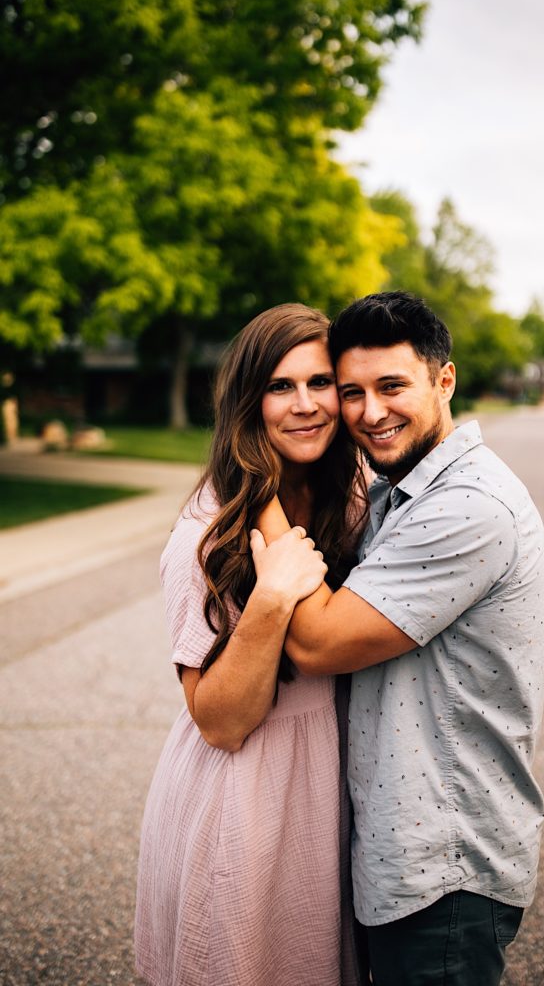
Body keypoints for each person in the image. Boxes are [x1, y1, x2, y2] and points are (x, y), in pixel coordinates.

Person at [256, 291, 544, 986]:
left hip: (442, 868)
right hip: (398, 856)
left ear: (443, 380)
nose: (367, 412)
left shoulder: (467, 506)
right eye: (350, 392)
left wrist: (256, 490)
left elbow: (320, 643)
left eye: (391, 386)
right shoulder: (401, 487)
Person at [135, 303, 368, 986]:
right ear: (247, 401)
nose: (304, 405)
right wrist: (270, 599)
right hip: (242, 800)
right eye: (278, 386)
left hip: (329, 790)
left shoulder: (348, 499)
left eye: (319, 383)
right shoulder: (204, 537)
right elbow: (219, 720)